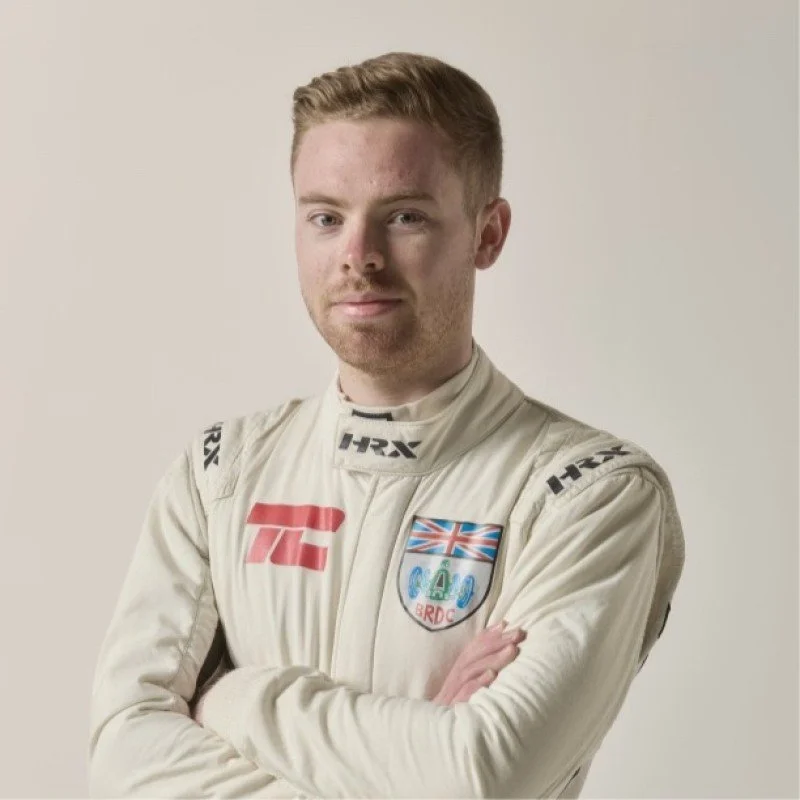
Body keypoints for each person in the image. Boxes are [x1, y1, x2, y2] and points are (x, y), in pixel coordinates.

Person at [88, 51, 685, 798]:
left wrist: (232, 697)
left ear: (488, 234)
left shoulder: (590, 494)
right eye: (326, 218)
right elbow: (121, 758)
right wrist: (411, 754)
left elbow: (481, 773)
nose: (358, 257)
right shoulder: (219, 473)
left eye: (404, 216)